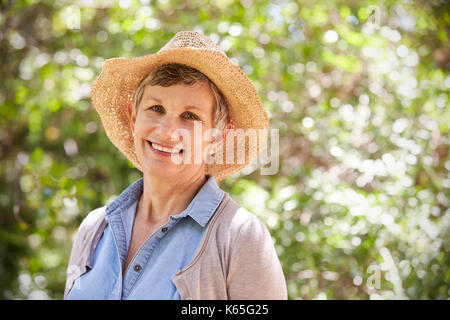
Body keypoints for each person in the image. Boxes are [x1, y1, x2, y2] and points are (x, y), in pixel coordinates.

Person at [64, 31, 287, 300]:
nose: (167, 132)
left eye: (189, 116)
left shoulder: (239, 236)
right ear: (133, 118)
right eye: (156, 108)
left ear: (217, 137)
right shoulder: (95, 228)